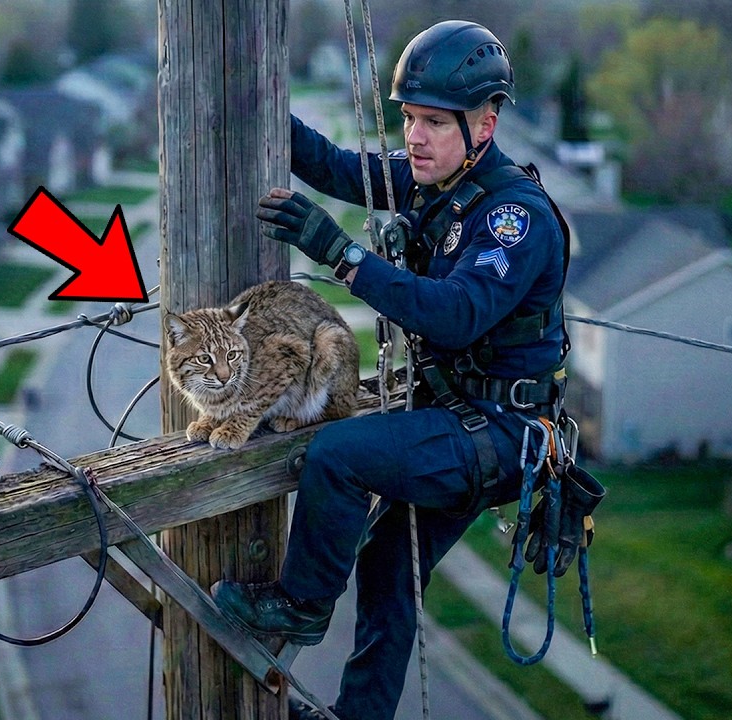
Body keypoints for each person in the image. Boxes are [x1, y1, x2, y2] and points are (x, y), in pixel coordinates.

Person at [211, 19, 570, 720]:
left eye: (435, 122)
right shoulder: (435, 182)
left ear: (485, 125)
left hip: (497, 433)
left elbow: (455, 314)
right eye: (409, 118)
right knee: (388, 572)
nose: (415, 136)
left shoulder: (513, 220)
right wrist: (256, 100)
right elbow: (341, 168)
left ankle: (299, 607)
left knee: (341, 455)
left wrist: (342, 256)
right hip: (455, 416)